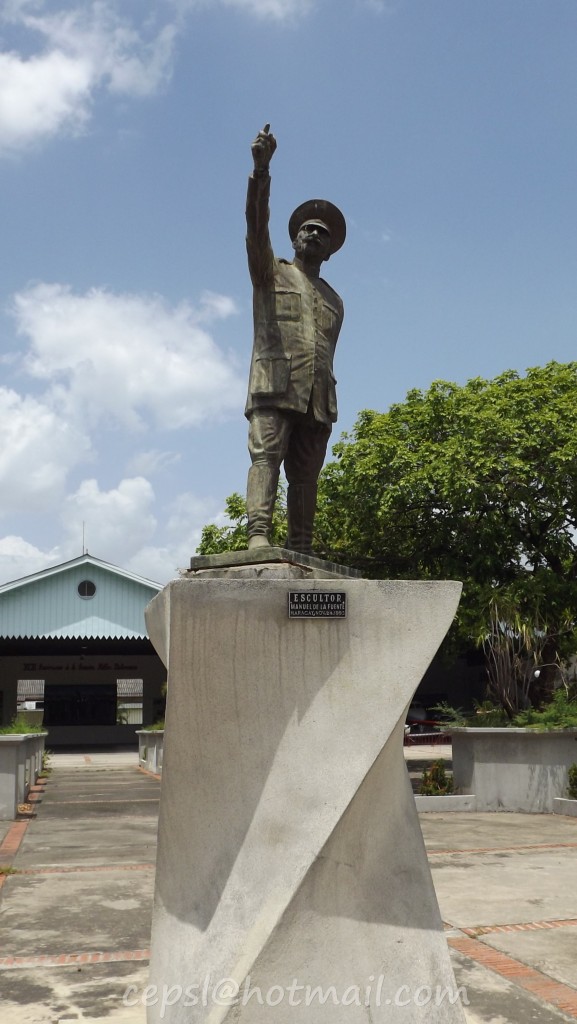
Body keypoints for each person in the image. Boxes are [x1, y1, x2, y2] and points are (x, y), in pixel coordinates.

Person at [245, 124, 346, 554]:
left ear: (330, 250)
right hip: (275, 385)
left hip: (317, 398)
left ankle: (301, 544)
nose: (314, 235)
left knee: (306, 477)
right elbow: (255, 226)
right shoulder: (271, 272)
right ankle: (258, 533)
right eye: (308, 229)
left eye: (322, 232)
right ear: (294, 238)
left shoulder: (335, 300)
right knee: (266, 457)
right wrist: (261, 172)